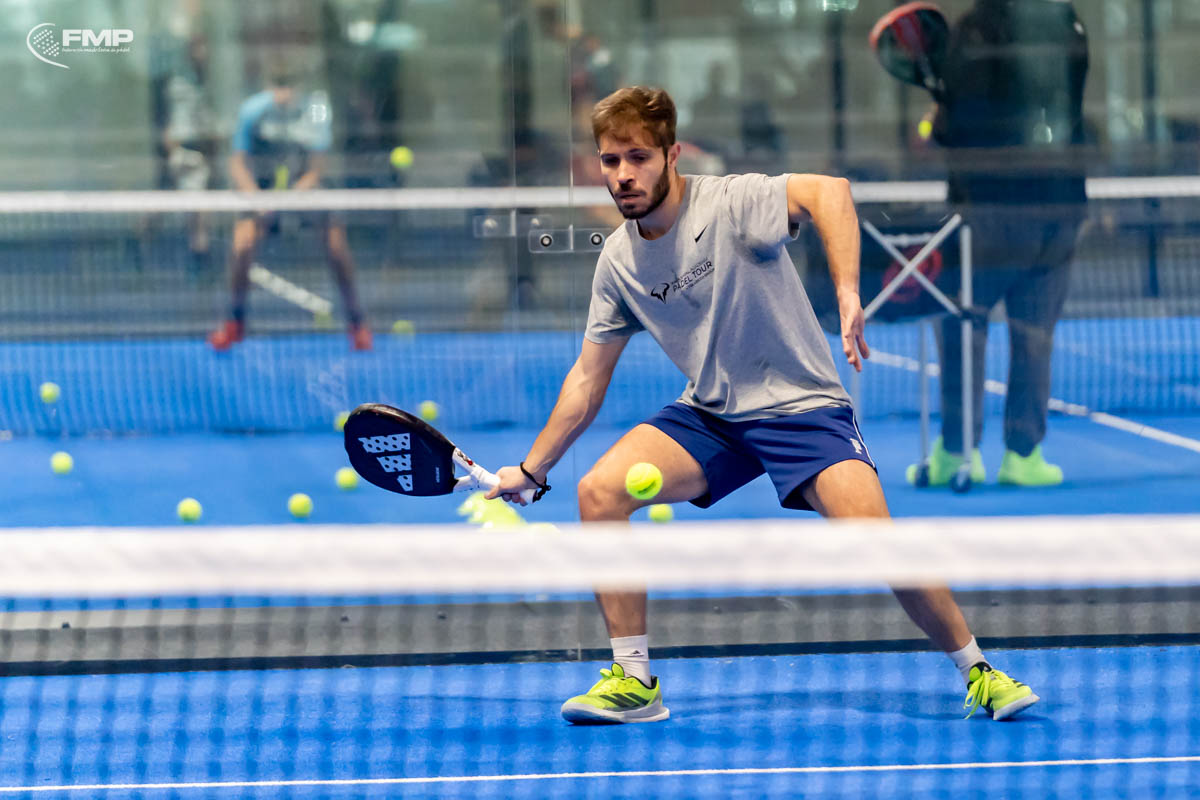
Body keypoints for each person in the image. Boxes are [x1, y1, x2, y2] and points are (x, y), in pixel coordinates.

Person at [485, 86, 1038, 724]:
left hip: (802, 408)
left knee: (878, 541)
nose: (623, 175)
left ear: (672, 155)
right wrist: (532, 470)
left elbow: (830, 193)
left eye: (638, 157)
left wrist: (848, 292)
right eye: (611, 161)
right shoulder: (618, 262)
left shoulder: (731, 203)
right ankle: (635, 682)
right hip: (713, 415)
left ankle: (979, 672)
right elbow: (587, 378)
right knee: (599, 492)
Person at [908, 0, 1089, 487]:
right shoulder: (1069, 24)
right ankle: (1023, 456)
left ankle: (955, 452)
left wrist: (937, 119)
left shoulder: (973, 32)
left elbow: (957, 130)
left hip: (988, 212)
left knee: (962, 324)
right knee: (1035, 333)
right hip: (1060, 209)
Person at [208, 64, 371, 351]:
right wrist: (256, 197)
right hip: (262, 190)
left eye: (289, 85)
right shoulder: (252, 110)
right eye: (278, 85)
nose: (283, 92)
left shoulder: (316, 110)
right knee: (242, 245)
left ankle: (357, 323)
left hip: (305, 189)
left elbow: (317, 168)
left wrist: (292, 197)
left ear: (300, 87)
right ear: (269, 87)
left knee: (337, 247)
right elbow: (237, 162)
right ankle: (234, 321)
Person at [162, 33, 219, 275]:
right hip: (185, 153)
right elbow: (174, 123)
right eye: (198, 48)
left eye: (204, 48)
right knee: (195, 210)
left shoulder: (207, 82)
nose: (202, 53)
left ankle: (199, 256)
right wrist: (174, 149)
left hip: (202, 154)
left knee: (199, 210)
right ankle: (198, 258)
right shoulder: (179, 84)